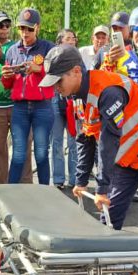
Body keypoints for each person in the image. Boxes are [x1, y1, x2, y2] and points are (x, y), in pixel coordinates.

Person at [40, 45, 138, 275]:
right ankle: (100, 263)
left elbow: (109, 140)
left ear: (76, 71)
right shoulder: (77, 97)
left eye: (58, 81)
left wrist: (103, 187)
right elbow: (85, 138)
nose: (55, 88)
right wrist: (80, 181)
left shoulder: (107, 91)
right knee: (111, 212)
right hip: (129, 156)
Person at [1, 8, 56, 184]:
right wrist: (6, 76)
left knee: (41, 153)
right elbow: (7, 85)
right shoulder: (12, 51)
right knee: (18, 153)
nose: (25, 33)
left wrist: (38, 69)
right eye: (22, 29)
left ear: (37, 28)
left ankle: (45, 192)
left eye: (29, 29)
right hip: (20, 106)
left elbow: (55, 76)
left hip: (43, 106)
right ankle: (10, 195)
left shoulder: (48, 48)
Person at [0, 10, 32, 184]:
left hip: (17, 104)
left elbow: (19, 69)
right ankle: (2, 187)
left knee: (23, 147)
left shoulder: (16, 47)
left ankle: (25, 186)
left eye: (7, 25)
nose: (4, 29)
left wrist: (1, 57)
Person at [51, 28, 79, 188]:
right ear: (60, 41)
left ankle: (75, 180)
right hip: (56, 100)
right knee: (56, 141)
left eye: (73, 38)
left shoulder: (78, 58)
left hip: (73, 102)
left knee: (74, 141)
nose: (71, 40)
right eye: (68, 38)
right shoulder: (54, 56)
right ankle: (58, 179)